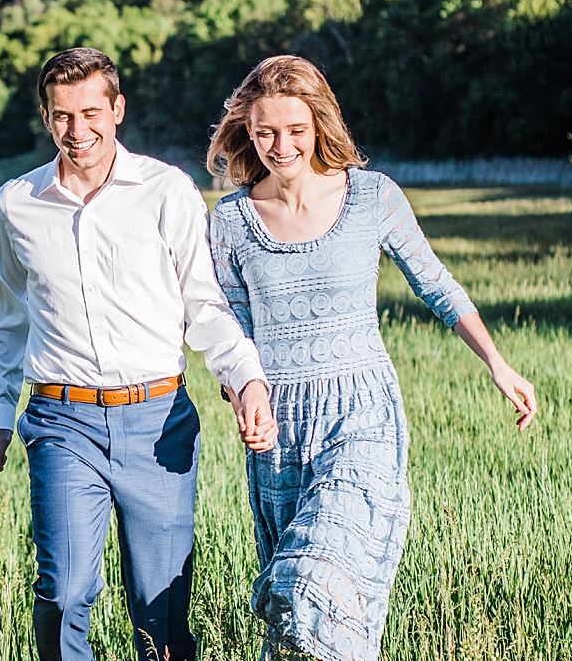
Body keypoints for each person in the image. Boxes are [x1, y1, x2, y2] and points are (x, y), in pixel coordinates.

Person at [207, 55, 536, 661]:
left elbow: (434, 281)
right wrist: (242, 400)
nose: (281, 146)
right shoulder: (228, 222)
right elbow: (231, 333)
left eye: (296, 131)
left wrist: (497, 361)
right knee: (295, 620)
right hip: (279, 428)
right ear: (245, 132)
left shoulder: (372, 196)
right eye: (266, 132)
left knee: (313, 577)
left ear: (320, 126)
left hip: (363, 415)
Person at [0, 47, 275, 661]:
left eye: (92, 112)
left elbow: (205, 303)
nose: (78, 131)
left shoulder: (166, 191)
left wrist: (246, 380)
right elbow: (4, 316)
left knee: (159, 608)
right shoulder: (17, 204)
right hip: (62, 421)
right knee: (64, 592)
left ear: (117, 109)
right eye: (62, 116)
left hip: (157, 421)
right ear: (45, 116)